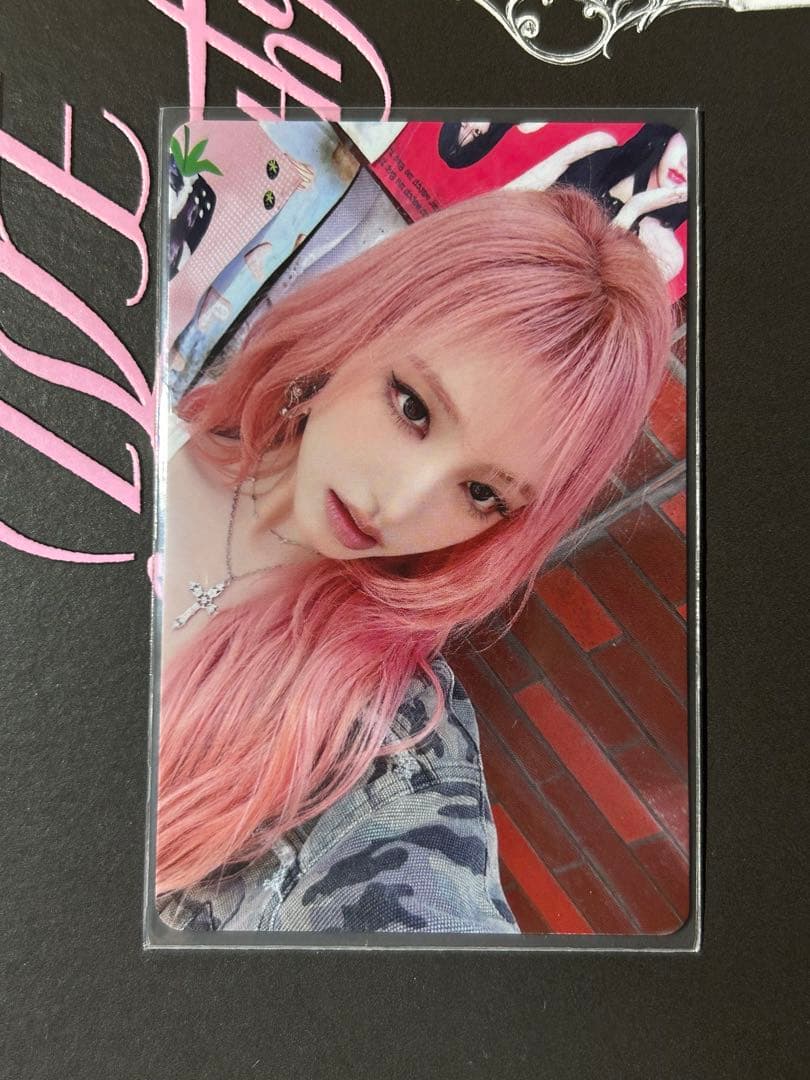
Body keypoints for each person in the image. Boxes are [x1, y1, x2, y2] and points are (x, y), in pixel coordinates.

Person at [154, 186, 673, 934]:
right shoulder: (137, 426)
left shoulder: (387, 738)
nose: (395, 506)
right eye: (413, 408)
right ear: (365, 323)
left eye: (482, 493)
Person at [555, 124, 689, 283]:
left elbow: (589, 290)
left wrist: (632, 210)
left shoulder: (666, 254)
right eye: (688, 140)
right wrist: (568, 155)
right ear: (672, 134)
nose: (686, 162)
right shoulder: (603, 158)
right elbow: (529, 203)